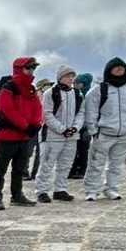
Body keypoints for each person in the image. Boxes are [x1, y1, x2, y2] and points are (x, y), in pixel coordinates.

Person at [83, 58, 126, 201]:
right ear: (109, 70)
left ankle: (111, 189)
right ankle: (92, 190)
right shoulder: (99, 89)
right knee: (96, 164)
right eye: (116, 67)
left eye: (122, 67)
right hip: (104, 133)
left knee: (117, 165)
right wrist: (93, 131)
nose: (120, 70)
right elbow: (90, 111)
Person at [0, 58, 43, 210]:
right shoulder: (9, 87)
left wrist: (36, 125)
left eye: (33, 68)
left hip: (23, 136)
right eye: (28, 68)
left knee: (19, 169)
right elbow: (6, 109)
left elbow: (37, 108)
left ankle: (17, 195)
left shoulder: (30, 88)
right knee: (0, 169)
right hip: (7, 136)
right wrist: (26, 126)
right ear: (19, 69)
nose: (31, 71)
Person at [36, 67, 80, 203]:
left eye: (72, 76)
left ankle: (60, 189)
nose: (70, 79)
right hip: (51, 135)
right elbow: (47, 114)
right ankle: (42, 191)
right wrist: (62, 129)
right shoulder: (50, 93)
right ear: (60, 78)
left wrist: (75, 128)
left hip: (71, 136)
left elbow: (81, 112)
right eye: (67, 76)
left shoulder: (77, 94)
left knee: (66, 164)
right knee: (46, 164)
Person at [68, 72, 93, 179]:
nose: (75, 85)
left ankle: (82, 170)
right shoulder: (73, 94)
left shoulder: (90, 96)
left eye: (78, 83)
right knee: (73, 150)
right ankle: (72, 169)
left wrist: (88, 128)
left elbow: (91, 114)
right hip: (75, 126)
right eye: (74, 83)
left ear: (84, 84)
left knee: (83, 150)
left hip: (85, 127)